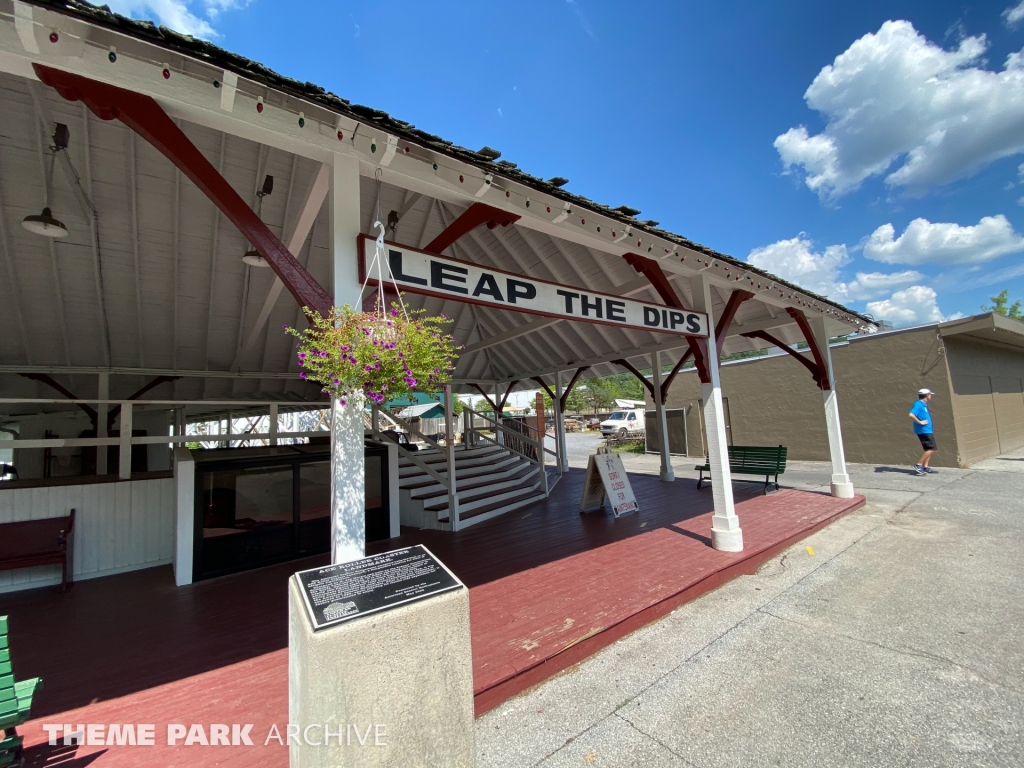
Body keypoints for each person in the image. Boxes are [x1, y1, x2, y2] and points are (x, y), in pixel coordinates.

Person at [909, 388, 937, 475]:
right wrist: (920, 422)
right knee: (932, 449)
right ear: (927, 395)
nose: (931, 396)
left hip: (927, 430)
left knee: (928, 449)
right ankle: (919, 465)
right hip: (923, 431)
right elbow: (911, 415)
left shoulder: (923, 405)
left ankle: (925, 467)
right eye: (930, 394)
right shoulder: (918, 404)